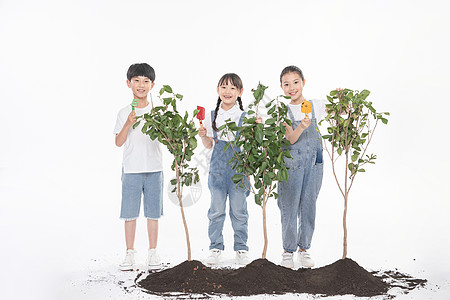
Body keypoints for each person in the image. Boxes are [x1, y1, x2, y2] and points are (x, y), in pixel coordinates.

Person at [113, 63, 163, 271]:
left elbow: (167, 139)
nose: (141, 85)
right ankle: (129, 252)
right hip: (132, 169)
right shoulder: (124, 112)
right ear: (128, 83)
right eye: (136, 81)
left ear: (152, 85)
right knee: (130, 213)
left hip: (154, 168)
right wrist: (128, 123)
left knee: (153, 213)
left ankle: (153, 252)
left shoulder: (158, 110)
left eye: (145, 81)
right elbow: (118, 142)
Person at [198, 73, 251, 266]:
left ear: (240, 92)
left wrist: (258, 127)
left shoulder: (245, 117)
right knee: (216, 211)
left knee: (239, 211)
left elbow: (251, 144)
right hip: (218, 171)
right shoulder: (212, 115)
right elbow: (209, 146)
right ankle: (215, 247)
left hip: (239, 171)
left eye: (232, 88)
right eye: (224, 87)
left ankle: (241, 248)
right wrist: (203, 136)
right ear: (218, 90)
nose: (227, 91)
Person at [278, 65, 325, 269]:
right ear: (282, 87)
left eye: (295, 82)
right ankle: (288, 251)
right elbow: (289, 139)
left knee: (308, 206)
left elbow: (341, 111)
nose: (292, 87)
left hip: (313, 164)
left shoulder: (315, 105)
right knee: (288, 206)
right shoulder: (281, 111)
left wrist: (342, 101)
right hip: (290, 165)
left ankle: (304, 249)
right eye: (286, 84)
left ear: (303, 83)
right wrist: (302, 126)